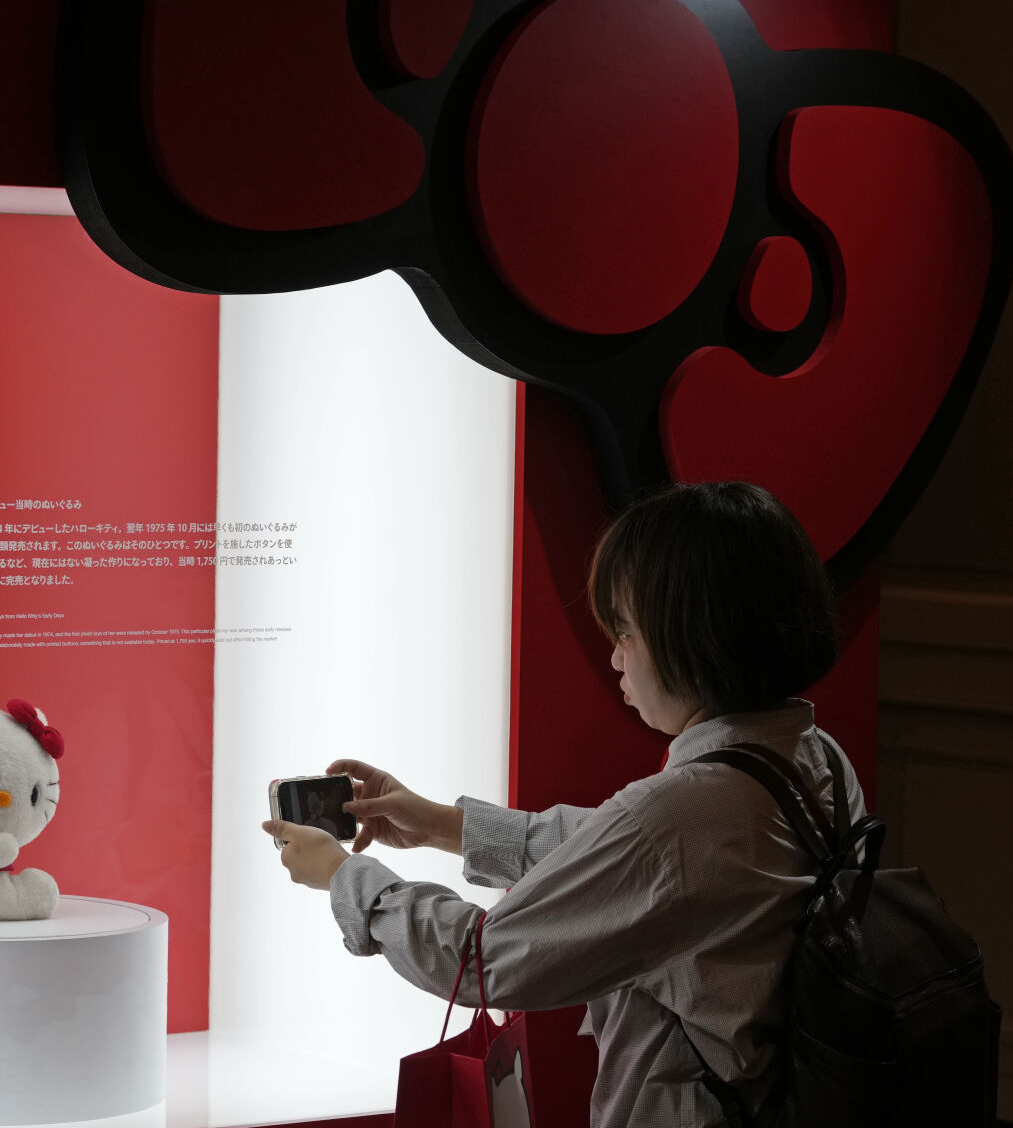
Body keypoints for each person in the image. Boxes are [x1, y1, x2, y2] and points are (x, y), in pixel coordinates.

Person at [261, 481, 859, 1127]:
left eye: (625, 631)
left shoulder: (679, 815)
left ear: (691, 636)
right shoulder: (815, 755)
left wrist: (343, 878)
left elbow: (479, 960)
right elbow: (623, 857)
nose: (614, 656)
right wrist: (441, 824)